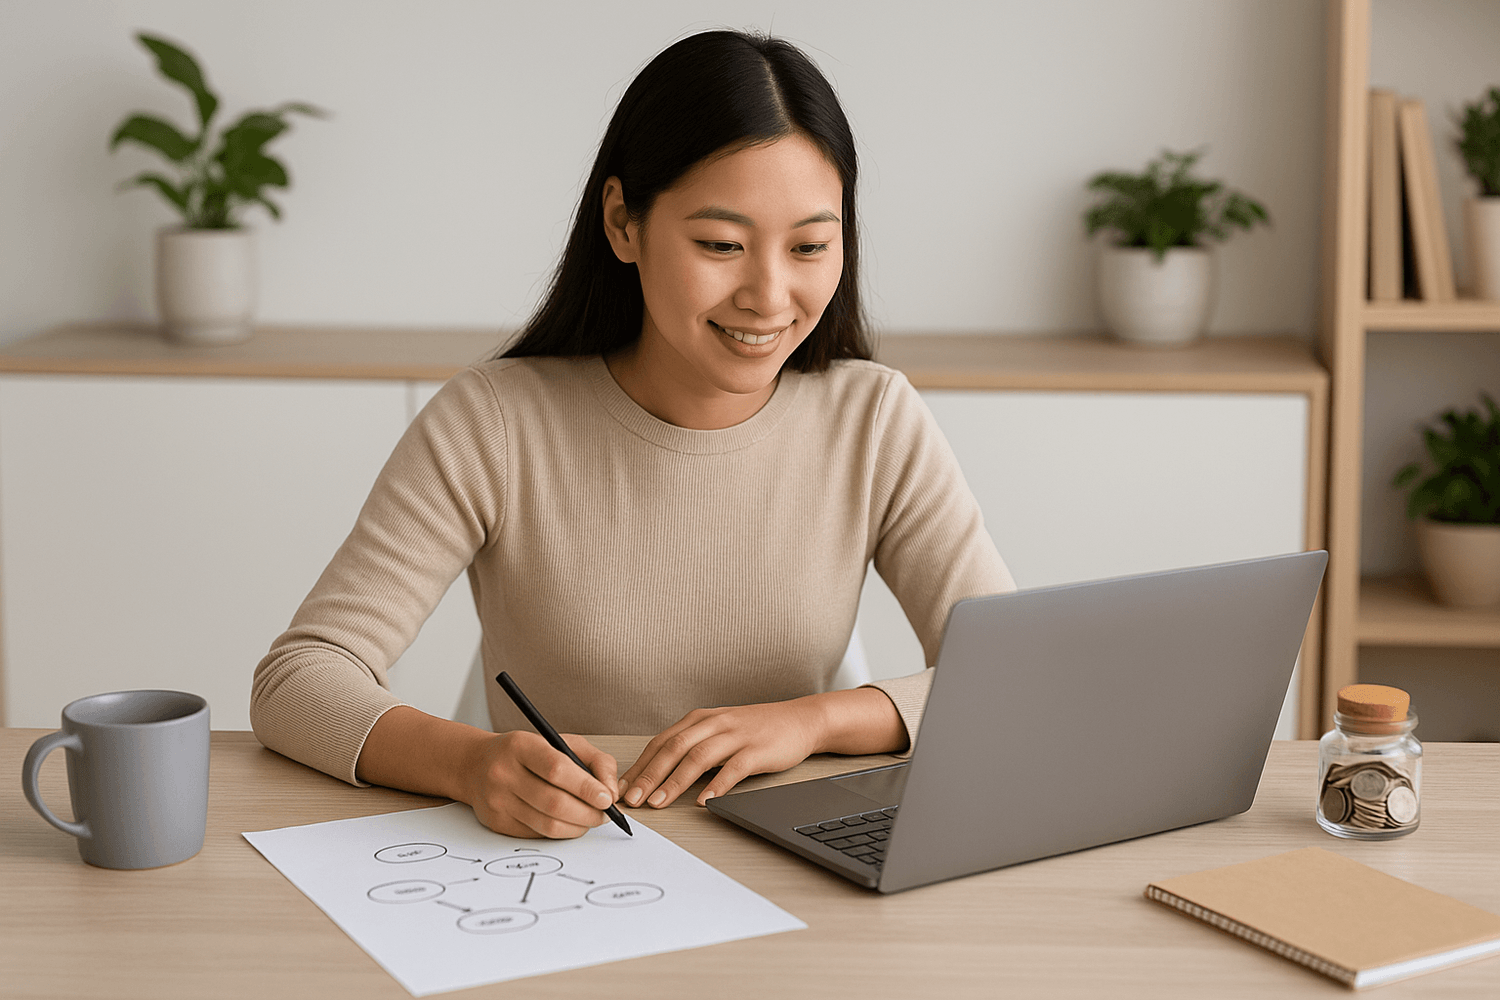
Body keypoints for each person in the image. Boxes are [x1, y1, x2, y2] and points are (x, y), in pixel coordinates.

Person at [250, 29, 1013, 840]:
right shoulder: (494, 424)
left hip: (790, 864)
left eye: (810, 247)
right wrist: (467, 763)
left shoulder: (873, 419)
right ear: (623, 222)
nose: (769, 294)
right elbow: (299, 680)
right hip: (564, 866)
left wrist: (815, 722)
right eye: (721, 244)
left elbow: (1015, 676)